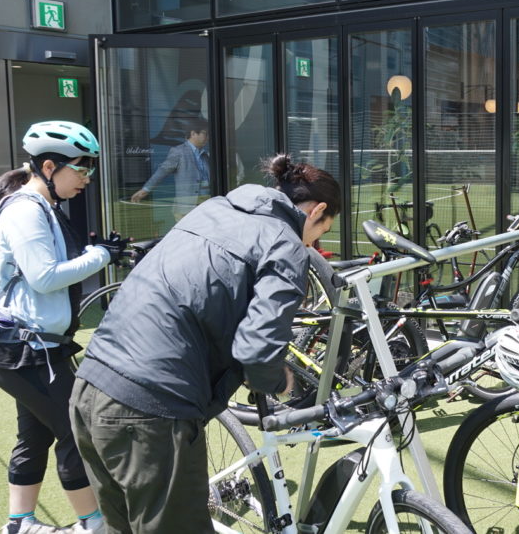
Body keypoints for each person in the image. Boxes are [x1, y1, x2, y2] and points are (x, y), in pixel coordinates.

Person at [70, 154, 341, 533]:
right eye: (324, 230)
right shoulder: (286, 243)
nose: (318, 242)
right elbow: (258, 351)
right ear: (319, 211)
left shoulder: (214, 208)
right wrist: (283, 383)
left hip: (90, 385)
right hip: (151, 408)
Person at [0, 121, 127, 534]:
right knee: (73, 432)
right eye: (82, 170)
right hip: (24, 351)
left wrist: (98, 253)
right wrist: (101, 255)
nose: (87, 179)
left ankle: (19, 523)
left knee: (35, 436)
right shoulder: (27, 210)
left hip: (30, 348)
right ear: (49, 166)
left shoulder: (40, 207)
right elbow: (45, 277)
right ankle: (93, 524)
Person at [129, 116, 211, 220]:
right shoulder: (179, 152)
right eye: (205, 133)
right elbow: (162, 172)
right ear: (193, 133)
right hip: (187, 208)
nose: (208, 137)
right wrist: (145, 190)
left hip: (206, 206)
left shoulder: (205, 155)